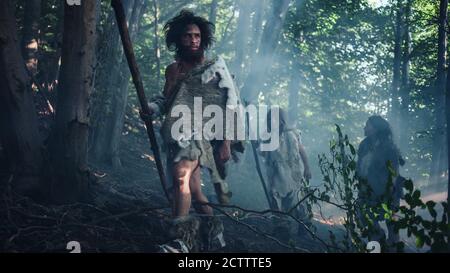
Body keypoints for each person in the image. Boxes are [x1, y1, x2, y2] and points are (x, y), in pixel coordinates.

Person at [141, 10, 244, 252]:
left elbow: (231, 105)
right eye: (188, 36)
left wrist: (226, 142)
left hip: (199, 134)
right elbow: (167, 100)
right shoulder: (173, 70)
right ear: (179, 39)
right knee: (194, 190)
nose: (194, 40)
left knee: (181, 179)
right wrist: (151, 108)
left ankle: (180, 242)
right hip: (175, 133)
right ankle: (214, 232)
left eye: (198, 35)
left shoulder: (216, 69)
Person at [260, 108, 312, 241]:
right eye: (270, 118)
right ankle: (282, 227)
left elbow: (301, 151)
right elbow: (264, 153)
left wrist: (307, 167)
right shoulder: (268, 135)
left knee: (298, 198)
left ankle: (304, 224)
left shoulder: (293, 133)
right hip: (277, 173)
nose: (272, 121)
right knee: (275, 197)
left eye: (275, 118)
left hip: (293, 171)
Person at [356, 115, 404, 249]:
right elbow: (360, 166)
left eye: (368, 125)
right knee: (365, 217)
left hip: (388, 191)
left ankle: (394, 247)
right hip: (367, 191)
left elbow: (394, 171)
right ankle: (377, 244)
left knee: (392, 224)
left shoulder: (388, 147)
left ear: (376, 129)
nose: (365, 127)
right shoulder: (364, 144)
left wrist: (389, 191)